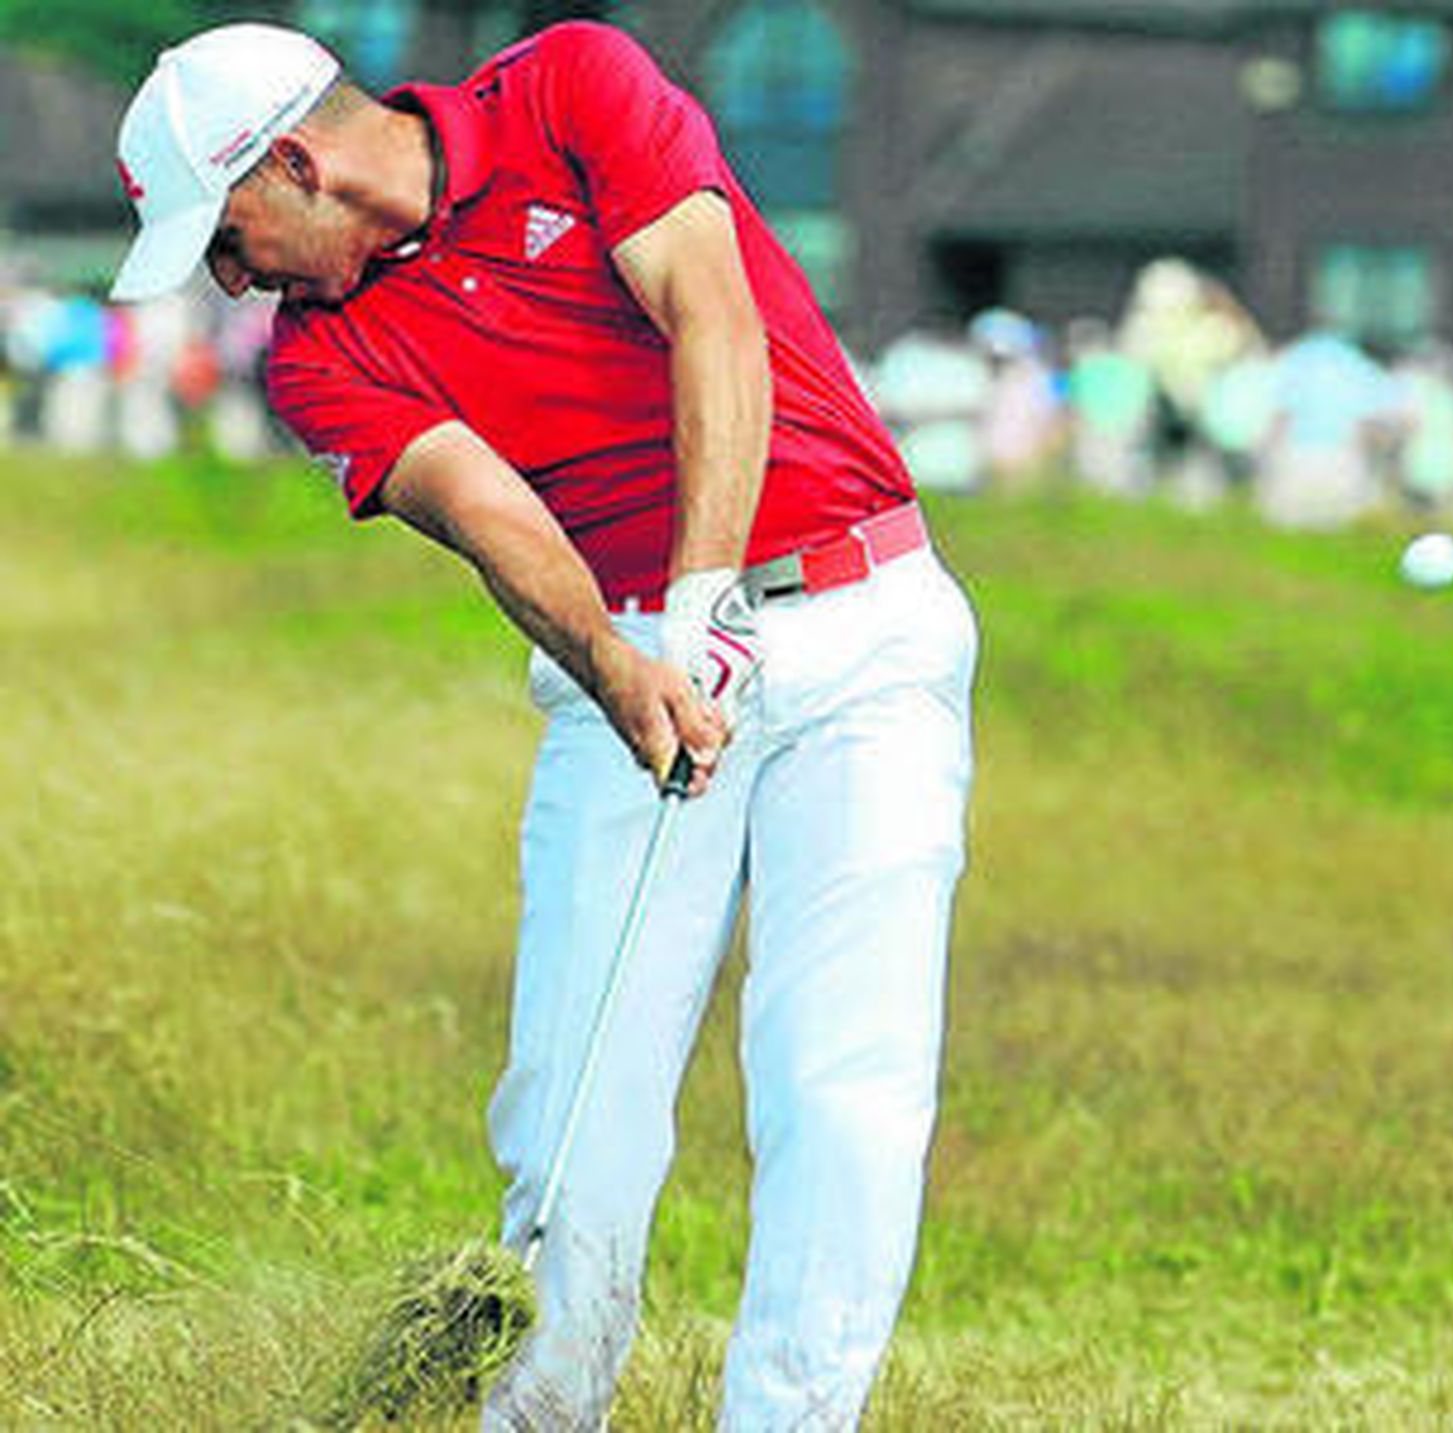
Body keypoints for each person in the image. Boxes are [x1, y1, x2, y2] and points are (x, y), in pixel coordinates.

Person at [110, 21, 977, 1431]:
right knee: (575, 1097)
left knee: (843, 1080)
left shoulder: (573, 86)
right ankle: (542, 1406)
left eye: (229, 235)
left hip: (863, 626)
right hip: (625, 656)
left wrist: (705, 589)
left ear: (295, 163)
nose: (232, 277)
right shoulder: (316, 357)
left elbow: (712, 310)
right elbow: (491, 513)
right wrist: (625, 660)